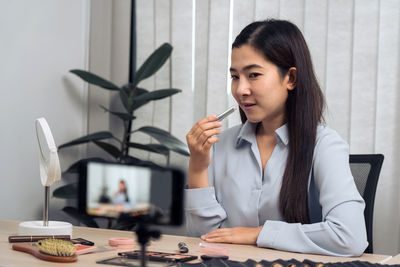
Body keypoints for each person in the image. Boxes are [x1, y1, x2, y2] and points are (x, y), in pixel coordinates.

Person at [185, 19, 367, 256]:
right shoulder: (220, 146)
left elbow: (349, 236)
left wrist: (258, 233)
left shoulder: (324, 146)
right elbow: (204, 239)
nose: (240, 89)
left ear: (290, 78)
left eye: (253, 75)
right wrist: (198, 165)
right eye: (234, 77)